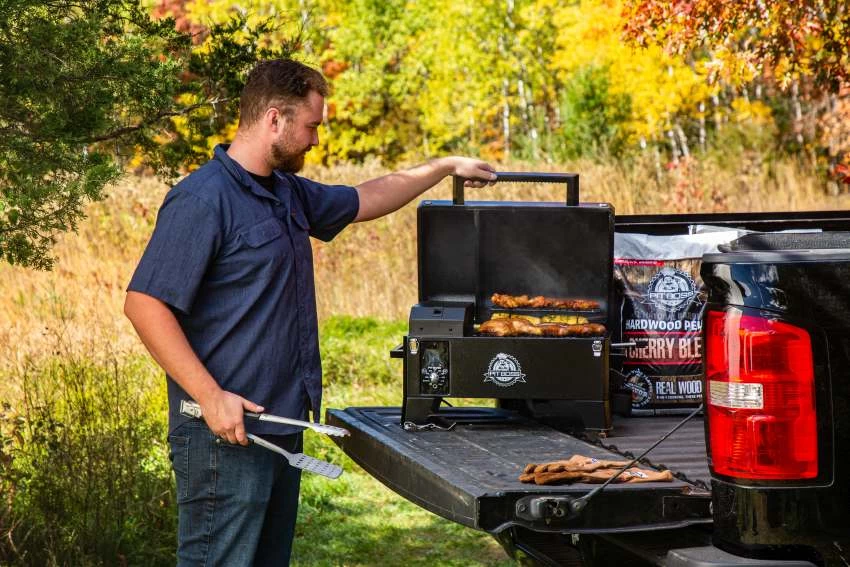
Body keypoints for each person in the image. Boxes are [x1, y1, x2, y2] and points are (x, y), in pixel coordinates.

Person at [123, 58, 495, 566]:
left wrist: (444, 166)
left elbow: (366, 198)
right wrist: (211, 397)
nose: (316, 140)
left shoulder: (287, 193)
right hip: (223, 437)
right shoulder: (202, 200)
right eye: (311, 126)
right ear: (274, 119)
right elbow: (144, 304)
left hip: (281, 426)